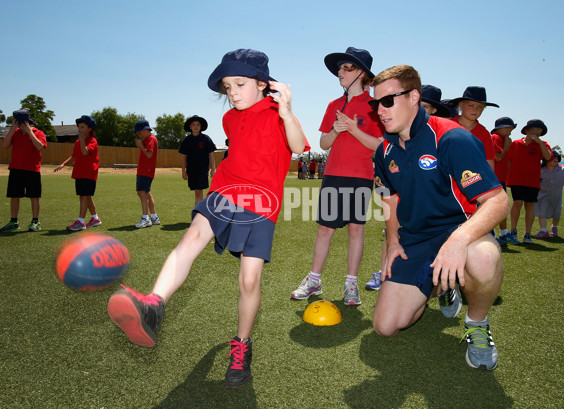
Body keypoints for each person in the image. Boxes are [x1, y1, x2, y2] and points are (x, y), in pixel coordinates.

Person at [107, 48, 309, 388]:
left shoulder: (278, 112)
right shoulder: (230, 118)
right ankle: (153, 306)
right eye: (227, 86)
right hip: (225, 190)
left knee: (248, 280)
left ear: (263, 84)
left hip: (261, 203)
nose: (232, 93)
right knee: (190, 240)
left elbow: (299, 145)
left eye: (239, 84)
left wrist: (287, 112)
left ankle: (242, 346)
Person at [371, 64, 509, 371]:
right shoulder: (384, 150)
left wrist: (458, 239)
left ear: (414, 97)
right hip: (416, 238)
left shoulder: (451, 138)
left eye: (387, 100)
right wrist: (392, 241)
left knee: (484, 259)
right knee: (386, 326)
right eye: (376, 103)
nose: (380, 110)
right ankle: (444, 283)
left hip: (460, 229)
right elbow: (388, 197)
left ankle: (476, 323)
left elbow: (498, 201)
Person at [290, 47, 384, 306]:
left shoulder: (375, 106)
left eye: (347, 68)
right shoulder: (333, 105)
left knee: (356, 230)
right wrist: (336, 129)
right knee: (324, 229)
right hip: (333, 175)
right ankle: (314, 281)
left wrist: (353, 130)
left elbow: (380, 146)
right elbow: (324, 142)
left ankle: (351, 284)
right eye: (340, 68)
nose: (340, 72)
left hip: (361, 177)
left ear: (361, 73)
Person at [505, 119, 553, 243]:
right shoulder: (515, 143)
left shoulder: (543, 144)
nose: (537, 131)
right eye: (535, 128)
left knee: (529, 204)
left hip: (532, 181)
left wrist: (540, 143)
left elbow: (548, 157)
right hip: (516, 179)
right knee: (517, 202)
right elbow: (509, 161)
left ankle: (527, 234)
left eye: (540, 129)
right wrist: (507, 177)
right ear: (527, 130)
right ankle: (513, 230)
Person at [0, 110, 47, 232]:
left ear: (26, 122)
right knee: (14, 196)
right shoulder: (14, 133)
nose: (18, 126)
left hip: (32, 170)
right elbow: (5, 145)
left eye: (20, 123)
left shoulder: (38, 132)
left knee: (34, 196)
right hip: (16, 169)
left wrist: (30, 132)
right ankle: (13, 221)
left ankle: (35, 221)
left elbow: (40, 146)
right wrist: (12, 130)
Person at [54, 115, 101, 231]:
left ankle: (81, 221)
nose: (79, 129)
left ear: (89, 129)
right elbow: (74, 156)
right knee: (87, 196)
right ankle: (95, 218)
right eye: (78, 127)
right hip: (80, 173)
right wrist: (63, 164)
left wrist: (83, 141)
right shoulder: (78, 142)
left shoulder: (92, 141)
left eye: (82, 127)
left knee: (83, 196)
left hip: (88, 174)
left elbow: (85, 152)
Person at [451, 86, 498, 170]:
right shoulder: (447, 126)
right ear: (461, 105)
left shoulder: (484, 133)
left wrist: (490, 182)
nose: (475, 109)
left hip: (472, 179)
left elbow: (489, 161)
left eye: (479, 107)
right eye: (471, 105)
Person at [490, 117, 519, 245]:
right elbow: (498, 157)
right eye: (509, 128)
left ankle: (502, 233)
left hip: (500, 179)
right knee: (495, 207)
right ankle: (494, 234)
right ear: (503, 128)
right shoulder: (496, 138)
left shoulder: (502, 139)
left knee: (501, 207)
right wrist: (506, 146)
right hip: (494, 179)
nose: (511, 131)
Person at [179, 115, 217, 205]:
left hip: (202, 170)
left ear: (201, 127)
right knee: (197, 191)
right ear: (190, 126)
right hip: (191, 170)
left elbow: (211, 154)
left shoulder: (206, 139)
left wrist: (213, 169)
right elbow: (183, 156)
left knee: (199, 191)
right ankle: (199, 212)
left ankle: (198, 213)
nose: (196, 127)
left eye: (198, 125)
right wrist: (183, 171)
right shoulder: (187, 140)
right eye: (193, 124)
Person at [133, 119, 160, 228]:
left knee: (141, 192)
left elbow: (149, 154)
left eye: (140, 133)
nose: (139, 135)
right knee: (147, 192)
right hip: (145, 170)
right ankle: (154, 217)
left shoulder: (151, 139)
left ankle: (145, 218)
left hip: (146, 170)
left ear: (145, 130)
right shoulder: (149, 139)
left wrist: (140, 145)